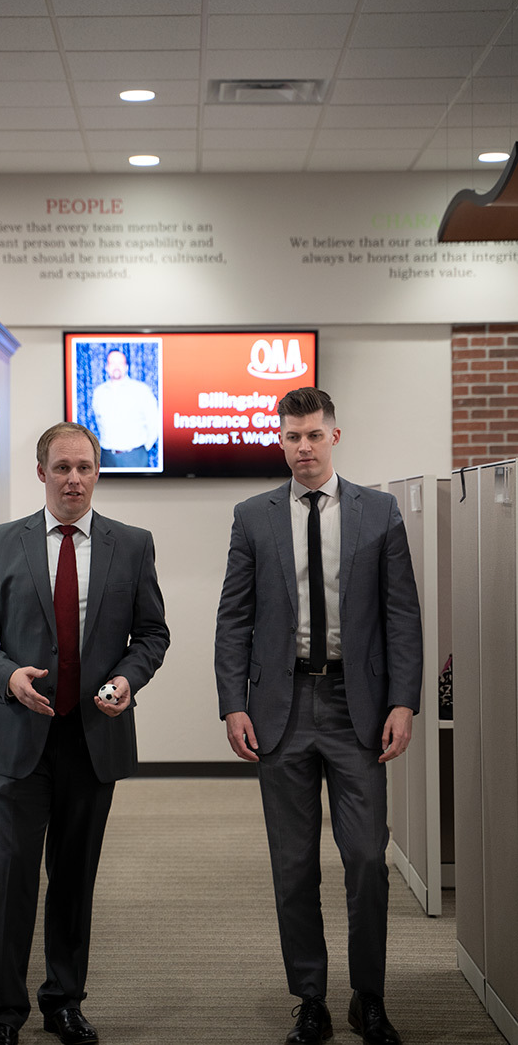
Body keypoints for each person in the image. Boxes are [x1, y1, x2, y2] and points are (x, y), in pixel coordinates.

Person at [214, 387, 422, 1045]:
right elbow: (234, 619)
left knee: (364, 858)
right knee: (293, 865)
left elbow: (402, 618)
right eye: (291, 437)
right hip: (280, 709)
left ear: (335, 437)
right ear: (280, 442)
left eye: (313, 435)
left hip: (355, 707)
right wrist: (233, 703)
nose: (302, 447)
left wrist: (404, 700)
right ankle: (310, 997)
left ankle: (369, 996)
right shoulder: (253, 517)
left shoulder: (380, 513)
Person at [0, 421, 170, 1045]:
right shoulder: (4, 541)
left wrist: (129, 680)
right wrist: (7, 674)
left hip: (91, 739)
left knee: (74, 877)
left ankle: (64, 1000)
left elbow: (151, 635)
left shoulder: (132, 544)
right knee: (11, 877)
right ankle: (1, 1014)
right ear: (41, 473)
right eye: (61, 468)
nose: (73, 478)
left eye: (84, 467)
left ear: (98, 471)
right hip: (20, 738)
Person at [91, 349, 160, 467]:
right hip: (106, 457)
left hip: (135, 456)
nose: (116, 367)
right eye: (112, 363)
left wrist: (144, 449)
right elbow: (97, 424)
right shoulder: (98, 393)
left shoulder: (141, 390)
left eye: (120, 363)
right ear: (106, 367)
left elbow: (155, 423)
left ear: (126, 367)